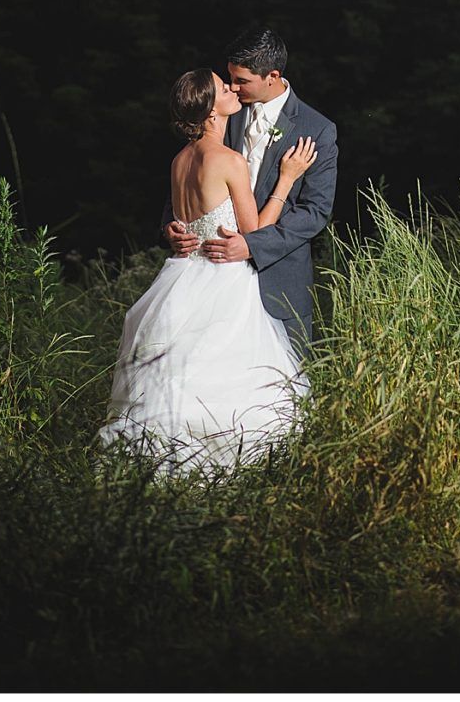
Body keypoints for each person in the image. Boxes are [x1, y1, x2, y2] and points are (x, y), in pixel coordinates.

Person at [99, 67, 317, 473]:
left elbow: (188, 217)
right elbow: (255, 231)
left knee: (178, 375)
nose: (232, 88)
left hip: (181, 278)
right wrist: (286, 180)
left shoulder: (179, 160)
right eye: (222, 87)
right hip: (222, 277)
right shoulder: (228, 160)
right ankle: (228, 466)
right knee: (227, 376)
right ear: (212, 111)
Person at [164, 27, 338, 353]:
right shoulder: (223, 109)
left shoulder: (316, 130)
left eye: (241, 81)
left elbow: (315, 212)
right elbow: (190, 178)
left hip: (278, 282)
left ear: (272, 76)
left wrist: (253, 245)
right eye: (230, 78)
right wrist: (174, 227)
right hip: (212, 281)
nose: (232, 87)